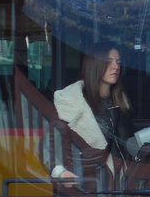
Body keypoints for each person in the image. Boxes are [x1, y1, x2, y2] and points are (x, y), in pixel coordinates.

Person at [49, 41, 136, 181]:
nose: (116, 67)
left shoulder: (121, 102)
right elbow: (50, 143)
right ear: (95, 64)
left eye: (118, 62)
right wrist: (61, 173)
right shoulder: (73, 102)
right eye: (109, 62)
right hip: (87, 187)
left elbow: (129, 145)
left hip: (122, 185)